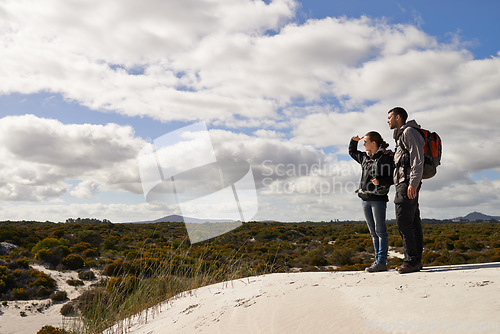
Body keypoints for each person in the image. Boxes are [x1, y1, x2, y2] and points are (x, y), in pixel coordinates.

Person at [349, 131, 394, 272]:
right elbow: (352, 151)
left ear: (373, 143)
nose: (363, 144)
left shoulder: (386, 158)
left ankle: (381, 262)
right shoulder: (364, 157)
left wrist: (380, 181)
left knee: (381, 232)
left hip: (378, 199)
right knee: (373, 233)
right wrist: (353, 140)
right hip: (364, 198)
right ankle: (377, 261)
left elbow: (393, 177)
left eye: (365, 141)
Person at [387, 107, 425, 274]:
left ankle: (411, 261)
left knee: (403, 221)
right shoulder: (401, 135)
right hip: (404, 182)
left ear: (398, 117)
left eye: (389, 117)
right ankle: (415, 260)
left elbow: (418, 158)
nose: (387, 120)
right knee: (412, 221)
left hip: (407, 183)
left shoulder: (409, 131)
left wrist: (413, 183)